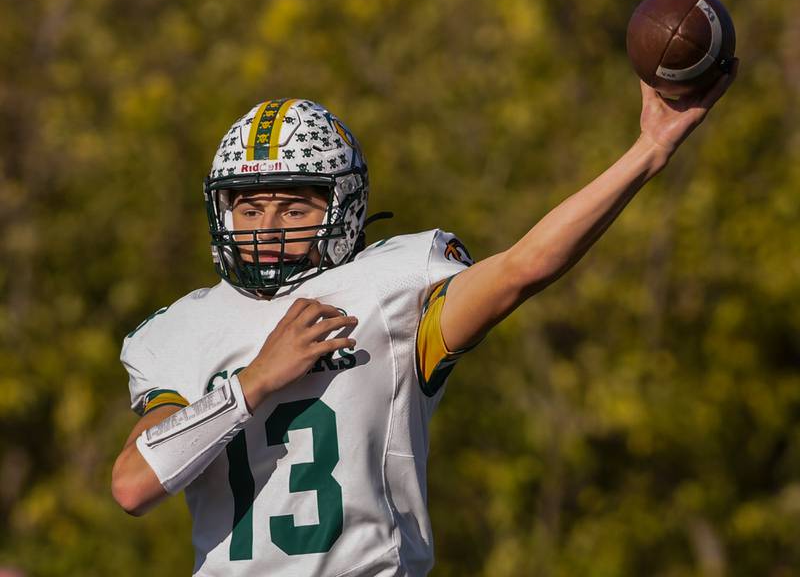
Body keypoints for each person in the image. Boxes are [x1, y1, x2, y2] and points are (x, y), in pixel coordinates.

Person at [112, 67, 737, 576]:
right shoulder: (180, 330)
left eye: (294, 204)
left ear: (343, 206)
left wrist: (648, 151)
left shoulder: (388, 288)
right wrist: (255, 382)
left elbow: (524, 266)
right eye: (248, 207)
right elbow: (134, 486)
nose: (268, 228)